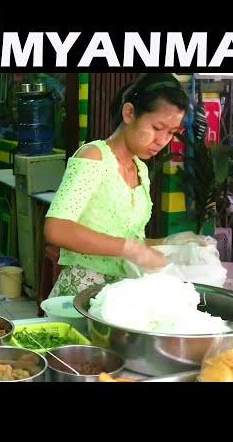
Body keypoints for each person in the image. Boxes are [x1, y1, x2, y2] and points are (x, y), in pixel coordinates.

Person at [44, 73, 192, 297]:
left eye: (171, 133)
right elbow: (57, 229)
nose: (162, 140)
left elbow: (128, 238)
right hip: (82, 294)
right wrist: (131, 249)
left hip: (120, 295)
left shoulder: (140, 169)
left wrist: (170, 243)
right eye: (157, 127)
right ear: (129, 113)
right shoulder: (94, 156)